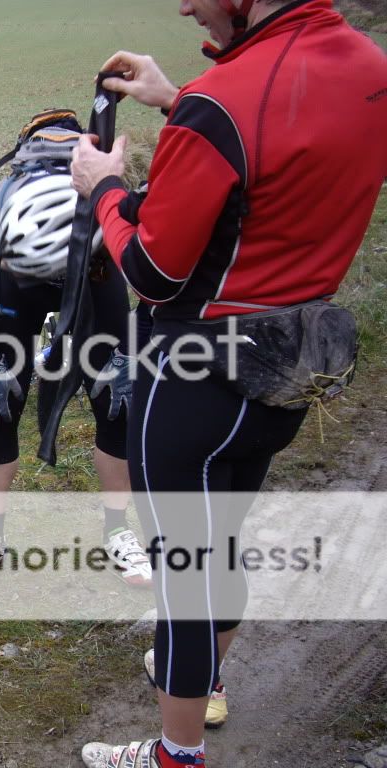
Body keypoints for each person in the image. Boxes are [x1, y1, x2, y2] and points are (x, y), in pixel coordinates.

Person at [71, 1, 387, 766]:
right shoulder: (372, 68)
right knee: (224, 545)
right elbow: (285, 151)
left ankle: (175, 755)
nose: (184, 4)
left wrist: (104, 188)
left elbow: (150, 267)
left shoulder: (226, 102)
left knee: (183, 578)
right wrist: (179, 102)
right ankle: (204, 683)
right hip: (287, 364)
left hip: (190, 375)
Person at [0, 109, 152, 590]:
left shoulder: (113, 210)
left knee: (117, 397)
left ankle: (119, 531)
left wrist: (135, 343)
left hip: (95, 280)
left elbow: (165, 279)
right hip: (15, 294)